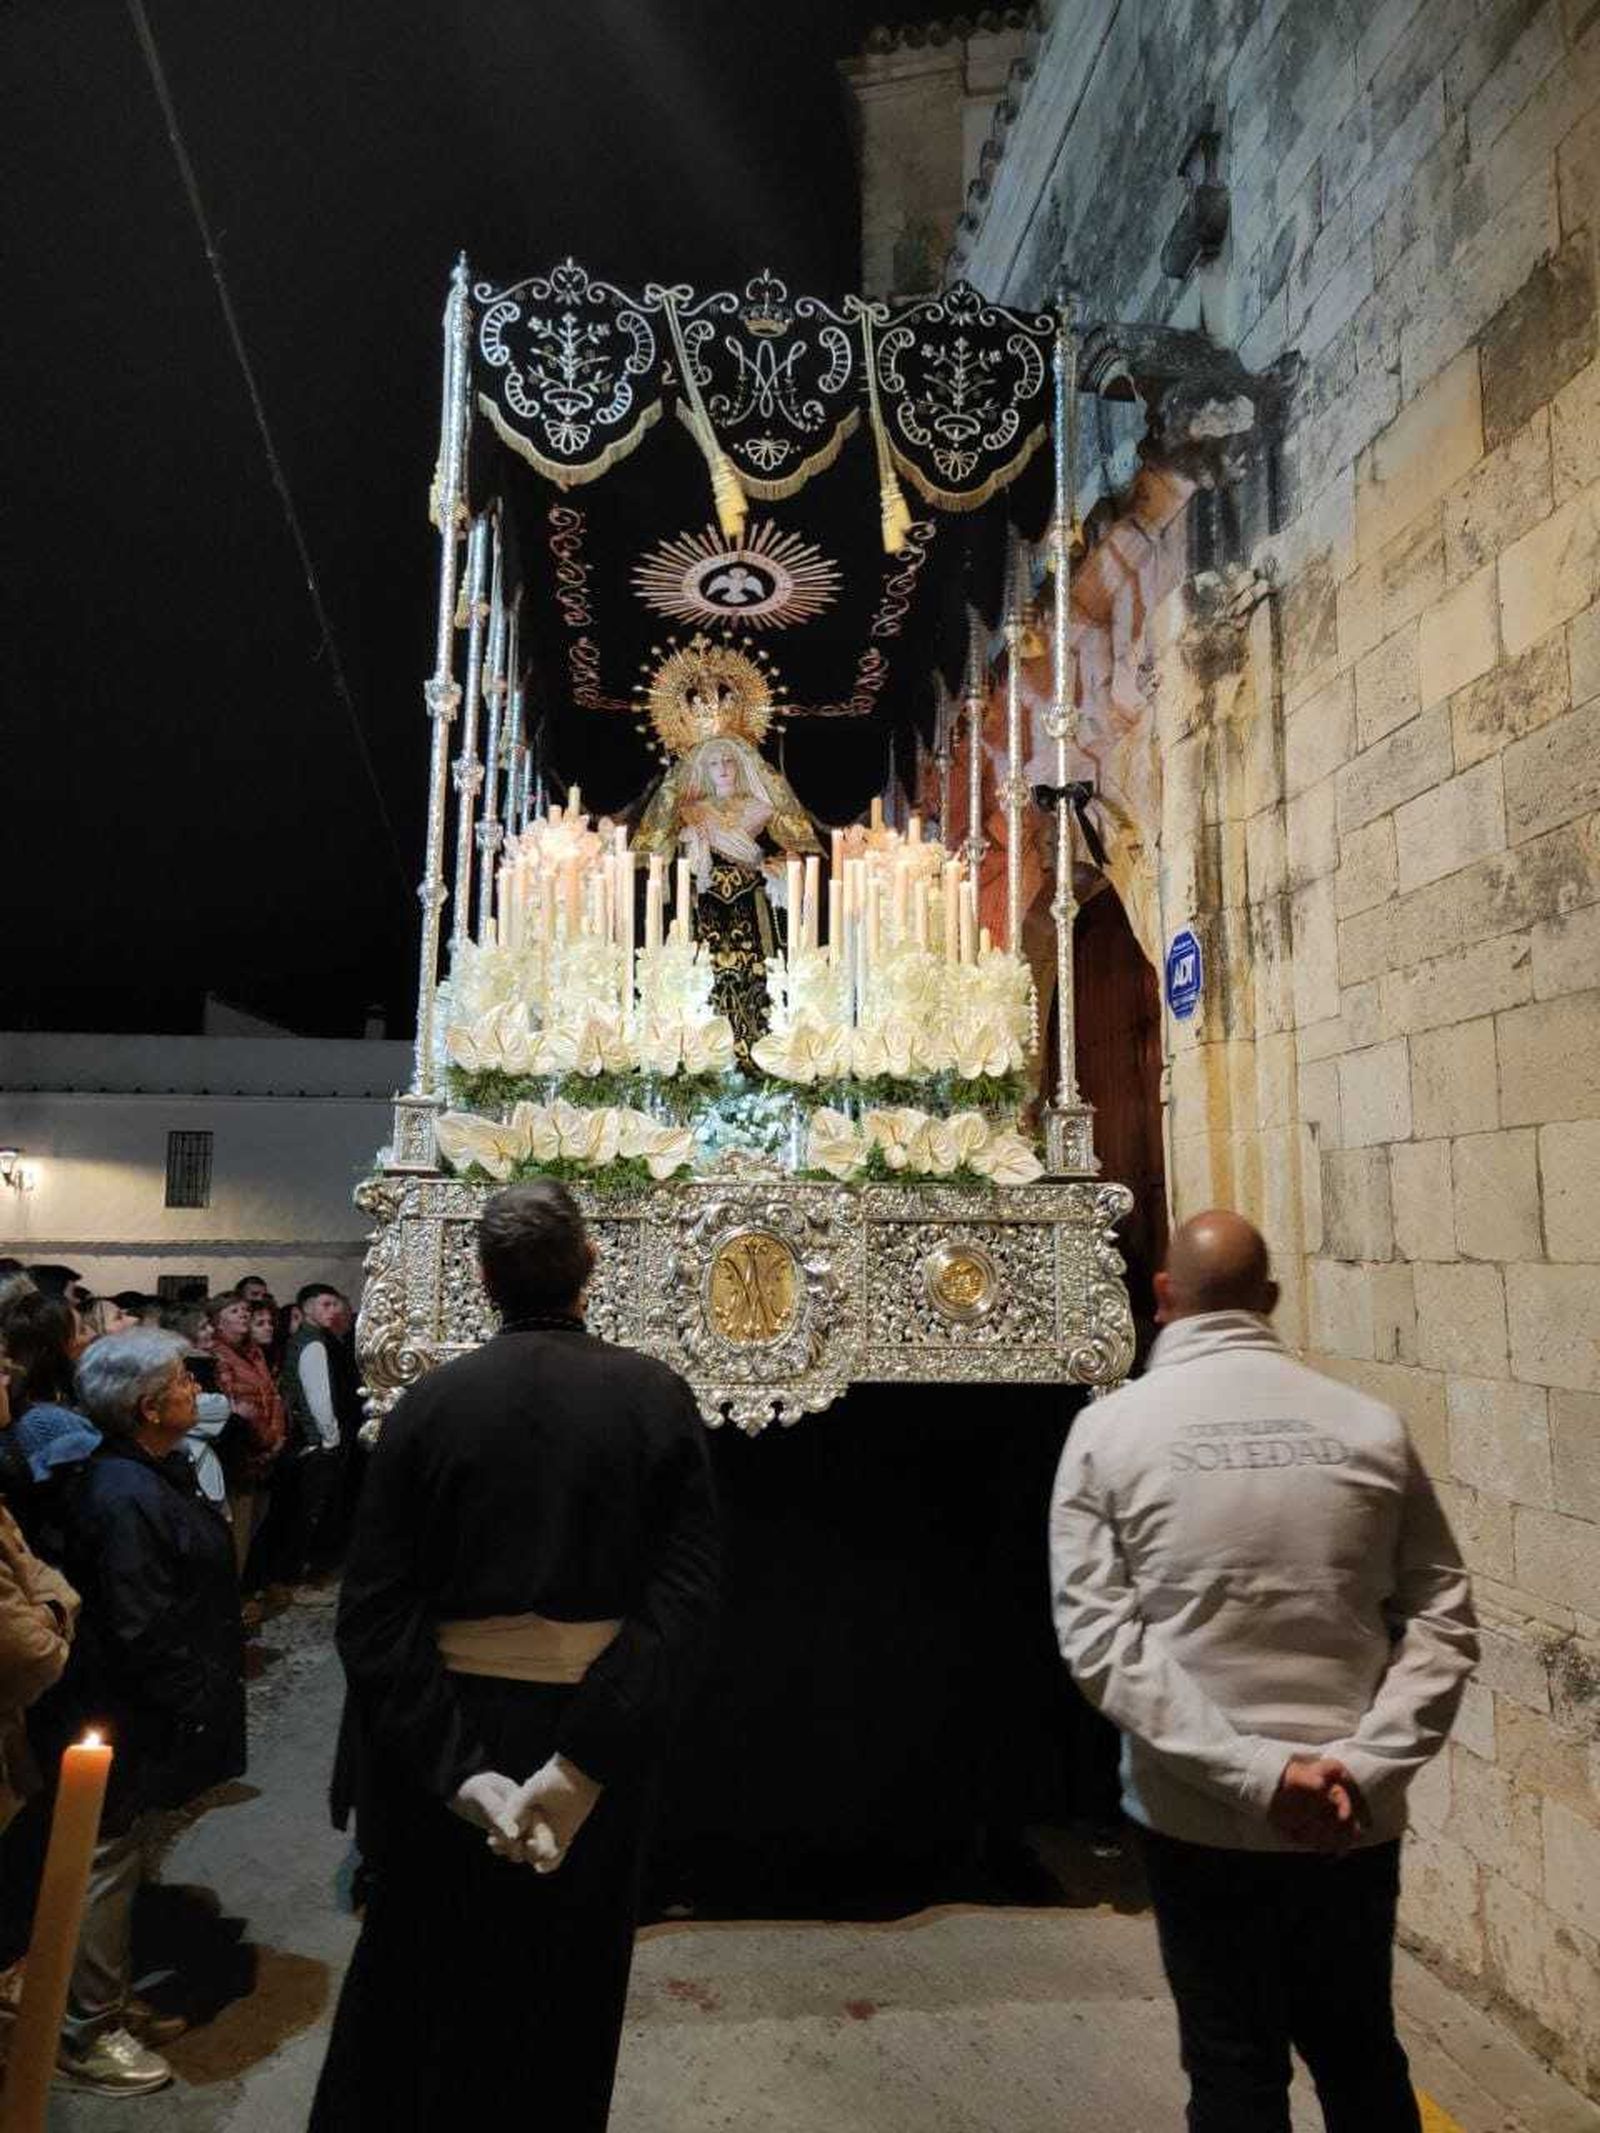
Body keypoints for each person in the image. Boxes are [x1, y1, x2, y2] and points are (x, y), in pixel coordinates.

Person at [1048, 1211, 1479, 2133]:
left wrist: (1256, 1774)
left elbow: (1100, 1641)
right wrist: (1360, 1765)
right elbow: (1444, 1616)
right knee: (1360, 2052)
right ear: (1272, 1299)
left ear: (1162, 1295)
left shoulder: (1107, 1434)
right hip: (1351, 1817)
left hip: (1196, 1814)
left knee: (1234, 2065)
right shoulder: (1370, 1426)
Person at [311, 1182, 719, 2133]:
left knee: (419, 1990)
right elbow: (686, 1599)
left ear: (483, 1275)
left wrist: (459, 1771)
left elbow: (373, 1612)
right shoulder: (653, 1397)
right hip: (592, 1731)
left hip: (448, 1726)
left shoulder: (428, 1404)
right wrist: (582, 1764)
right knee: (565, 1995)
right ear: (591, 1266)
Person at [49, 1331, 244, 2095]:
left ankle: (105, 1999)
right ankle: (86, 2033)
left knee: (125, 1860)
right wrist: (194, 1703)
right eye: (181, 1382)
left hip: (141, 1710)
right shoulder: (123, 1491)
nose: (195, 1388)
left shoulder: (147, 1472)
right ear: (148, 1406)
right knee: (104, 1864)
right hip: (123, 1713)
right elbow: (142, 1625)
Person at [269, 1286, 359, 1583]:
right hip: (315, 1440)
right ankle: (299, 1575)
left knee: (304, 1509)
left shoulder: (304, 1339)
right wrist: (330, 1438)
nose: (333, 1311)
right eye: (326, 1305)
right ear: (307, 1309)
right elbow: (318, 1398)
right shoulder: (314, 1344)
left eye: (334, 1304)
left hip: (305, 1437)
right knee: (311, 1511)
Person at [207, 1294, 286, 1583]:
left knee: (252, 1528)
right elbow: (236, 1409)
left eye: (245, 1310)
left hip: (266, 1451)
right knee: (236, 1534)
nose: (244, 1314)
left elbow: (272, 1398)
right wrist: (265, 1442)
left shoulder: (254, 1352)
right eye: (234, 1310)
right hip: (242, 1454)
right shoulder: (218, 1356)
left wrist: (277, 1438)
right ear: (218, 1321)